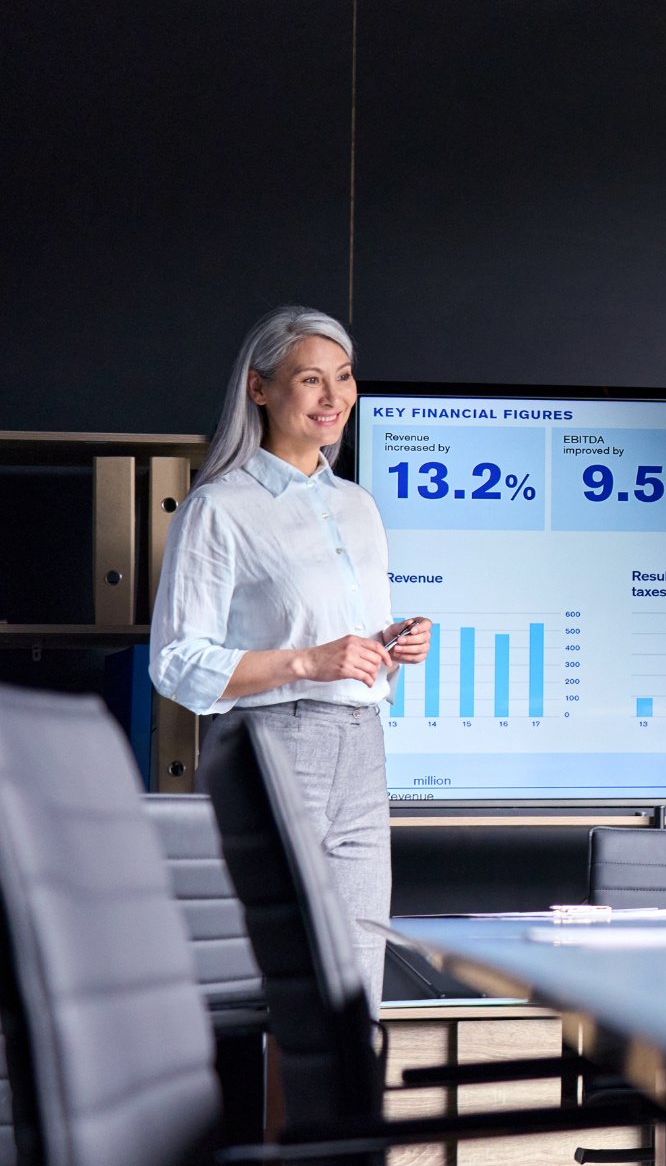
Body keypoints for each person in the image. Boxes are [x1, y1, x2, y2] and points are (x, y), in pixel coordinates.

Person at [151, 306, 433, 1007]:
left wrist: (392, 648)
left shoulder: (359, 508)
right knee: (272, 981)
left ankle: (348, 1090)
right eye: (311, 379)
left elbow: (352, 654)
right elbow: (176, 661)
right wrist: (307, 662)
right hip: (275, 747)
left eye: (344, 376)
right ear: (259, 388)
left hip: (362, 750)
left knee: (356, 985)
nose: (334, 396)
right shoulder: (220, 508)